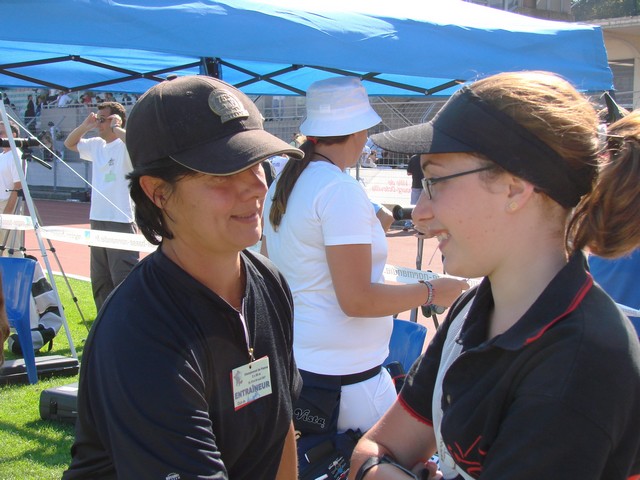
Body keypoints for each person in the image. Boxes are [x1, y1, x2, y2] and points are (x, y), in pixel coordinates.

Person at [350, 71, 640, 480]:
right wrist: (376, 467)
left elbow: (379, 459)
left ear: (515, 188)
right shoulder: (472, 309)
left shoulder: (583, 361)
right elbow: (372, 451)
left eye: (435, 181)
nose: (420, 213)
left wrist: (382, 471)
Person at [62, 75, 304, 479]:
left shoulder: (269, 281)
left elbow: (281, 427)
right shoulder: (139, 333)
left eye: (257, 164)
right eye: (223, 174)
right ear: (158, 192)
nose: (255, 187)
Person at [261, 76, 468, 446]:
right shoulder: (338, 189)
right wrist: (434, 290)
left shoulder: (288, 182)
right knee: (392, 458)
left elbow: (273, 267)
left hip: (303, 364)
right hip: (346, 380)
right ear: (359, 131)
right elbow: (357, 300)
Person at [64, 101, 139, 312]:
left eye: (102, 120)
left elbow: (137, 143)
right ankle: (103, 322)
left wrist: (116, 128)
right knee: (100, 278)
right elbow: (69, 144)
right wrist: (85, 126)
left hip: (120, 219)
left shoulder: (125, 144)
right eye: (98, 119)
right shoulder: (96, 144)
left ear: (117, 120)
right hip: (97, 218)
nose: (99, 124)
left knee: (122, 278)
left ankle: (126, 322)